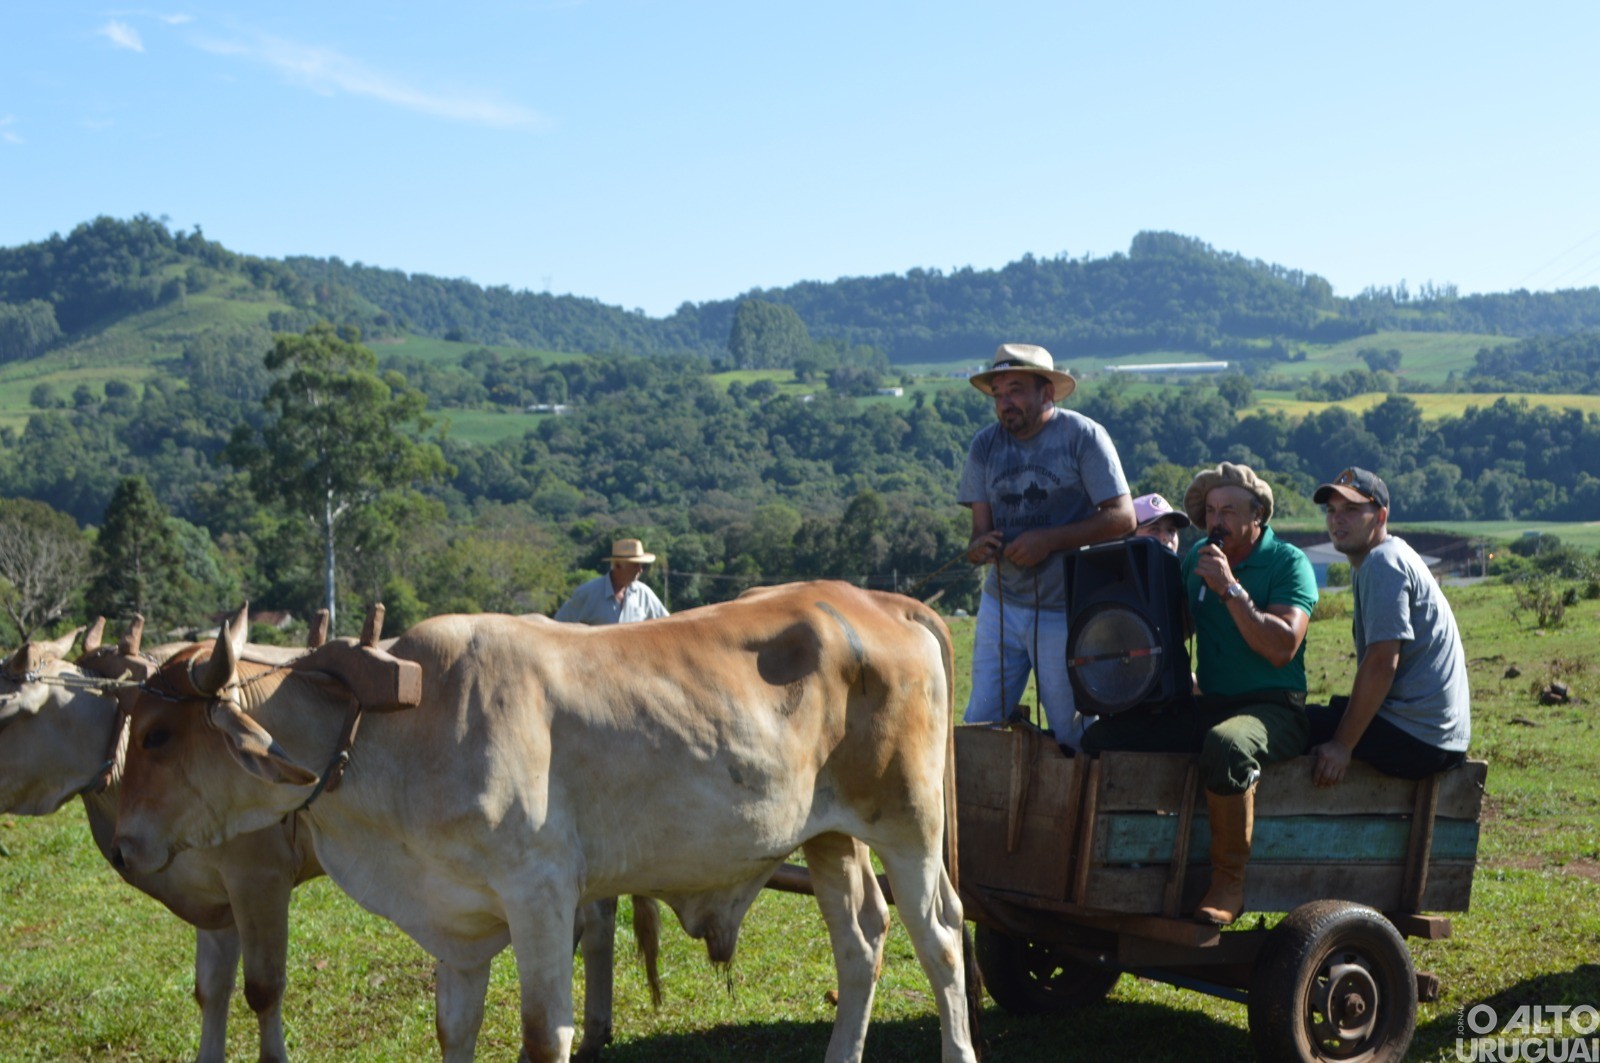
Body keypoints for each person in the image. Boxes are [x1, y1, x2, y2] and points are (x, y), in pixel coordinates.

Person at [1082, 462, 1318, 925]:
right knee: (1104, 737)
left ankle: (1229, 882)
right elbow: (1169, 633)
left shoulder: (1289, 562)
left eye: (1229, 511)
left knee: (1228, 746)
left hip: (1274, 708)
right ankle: (1123, 859)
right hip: (1210, 705)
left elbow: (1281, 647)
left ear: (1258, 517)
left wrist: (1230, 588)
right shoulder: (1196, 562)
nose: (1217, 522)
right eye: (1210, 511)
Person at [958, 343, 1135, 748]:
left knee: (1071, 727)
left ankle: (1080, 809)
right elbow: (977, 534)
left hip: (1064, 608)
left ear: (1047, 392)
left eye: (1016, 390)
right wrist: (978, 548)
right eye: (998, 394)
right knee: (979, 723)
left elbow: (1124, 517)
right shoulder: (984, 446)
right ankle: (981, 809)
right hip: (1000, 606)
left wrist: (1048, 540)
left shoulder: (1083, 437)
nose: (1005, 403)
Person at [1309, 467, 1469, 786]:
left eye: (1352, 510)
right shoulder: (1379, 558)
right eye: (1332, 510)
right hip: (1435, 733)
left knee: (1293, 727)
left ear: (1381, 516)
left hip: (1419, 737)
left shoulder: (1383, 562)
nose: (1337, 519)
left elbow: (1383, 663)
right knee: (1317, 717)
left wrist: (1342, 746)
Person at [554, 538, 669, 625]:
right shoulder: (587, 593)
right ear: (618, 566)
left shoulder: (644, 594)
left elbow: (666, 624)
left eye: (641, 565)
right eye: (635, 565)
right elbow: (558, 625)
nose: (640, 570)